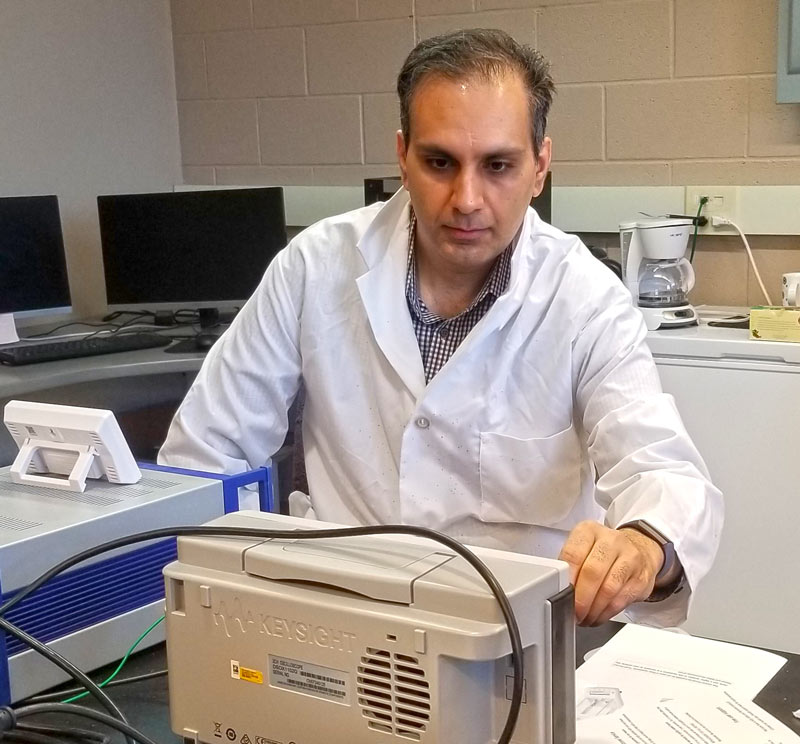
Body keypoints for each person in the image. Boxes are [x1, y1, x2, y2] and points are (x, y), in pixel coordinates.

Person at [159, 29, 722, 628]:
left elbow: (661, 470)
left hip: (515, 637)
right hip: (336, 622)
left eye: (499, 165)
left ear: (540, 167)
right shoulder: (316, 265)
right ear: (402, 156)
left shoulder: (585, 299)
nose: (467, 199)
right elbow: (205, 451)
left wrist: (642, 543)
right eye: (439, 162)